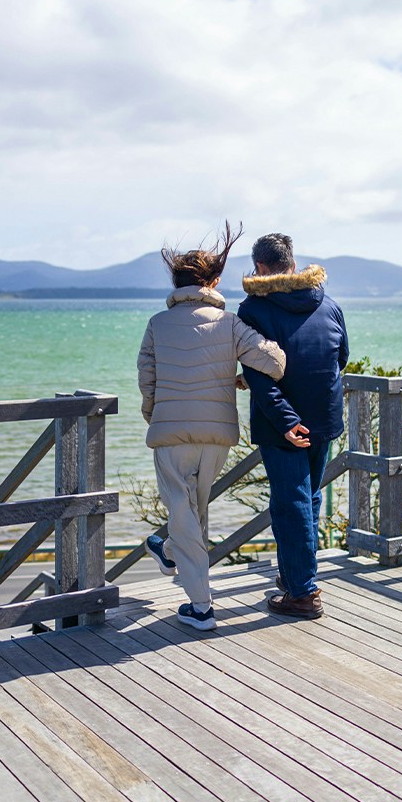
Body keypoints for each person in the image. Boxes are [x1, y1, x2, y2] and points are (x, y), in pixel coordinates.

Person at [138, 223, 285, 631]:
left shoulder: (156, 324)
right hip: (218, 436)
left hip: (171, 433)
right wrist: (238, 378)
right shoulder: (231, 324)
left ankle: (201, 607)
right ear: (214, 282)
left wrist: (157, 414)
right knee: (193, 510)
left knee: (184, 512)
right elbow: (274, 364)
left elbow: (146, 382)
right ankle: (169, 550)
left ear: (176, 283)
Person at [238, 232, 349, 619]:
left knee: (292, 503)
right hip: (325, 418)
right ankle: (296, 575)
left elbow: (258, 376)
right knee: (309, 498)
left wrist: (286, 421)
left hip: (282, 426)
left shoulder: (254, 309)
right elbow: (342, 358)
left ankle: (302, 592)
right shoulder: (329, 304)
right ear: (293, 263)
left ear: (262, 268)